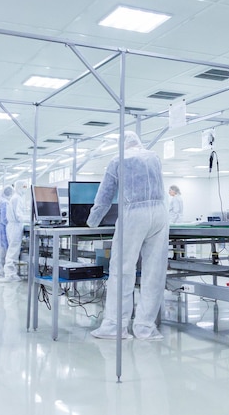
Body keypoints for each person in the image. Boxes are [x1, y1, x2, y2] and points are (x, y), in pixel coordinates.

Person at [88, 131, 169, 340]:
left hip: (134, 215)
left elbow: (105, 195)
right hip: (160, 214)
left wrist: (93, 220)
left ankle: (115, 326)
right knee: (154, 272)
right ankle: (145, 328)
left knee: (122, 270)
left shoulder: (118, 160)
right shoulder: (154, 157)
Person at [1, 180, 28, 283]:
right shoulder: (17, 198)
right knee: (13, 250)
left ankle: (10, 273)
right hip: (15, 226)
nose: (25, 189)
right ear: (18, 187)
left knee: (13, 249)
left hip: (14, 225)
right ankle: (10, 274)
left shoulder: (17, 198)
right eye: (23, 187)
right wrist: (30, 219)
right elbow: (18, 215)